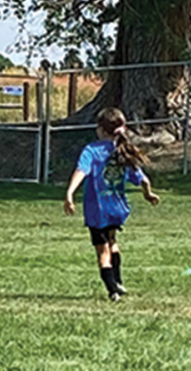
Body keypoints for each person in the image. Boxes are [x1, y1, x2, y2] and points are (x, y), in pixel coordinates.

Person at [64, 107, 159, 301]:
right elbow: (143, 180)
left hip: (98, 210)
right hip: (116, 209)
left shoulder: (92, 150)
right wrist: (148, 195)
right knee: (112, 242)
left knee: (102, 251)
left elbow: (81, 171)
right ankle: (119, 281)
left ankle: (112, 290)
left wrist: (69, 193)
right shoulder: (123, 151)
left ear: (101, 129)